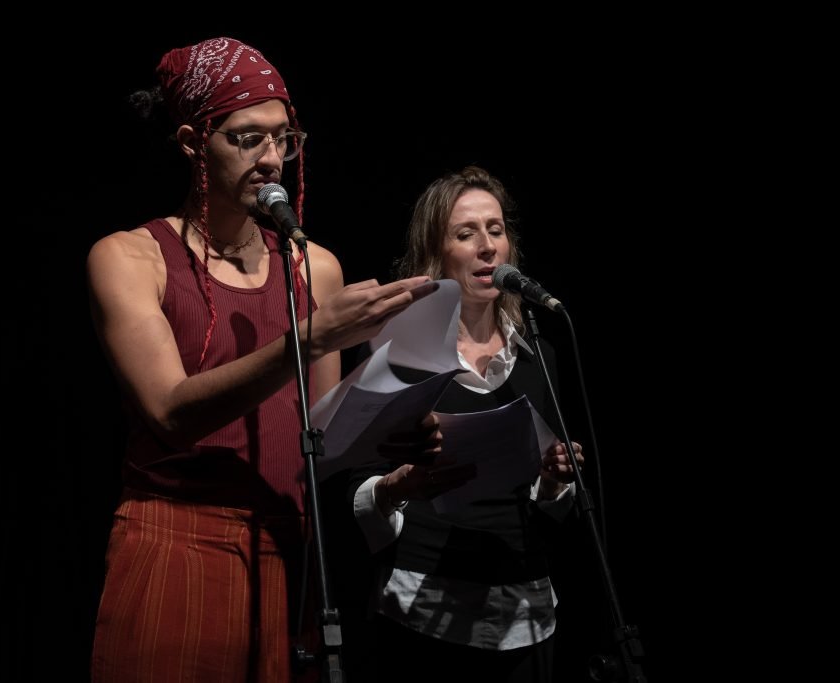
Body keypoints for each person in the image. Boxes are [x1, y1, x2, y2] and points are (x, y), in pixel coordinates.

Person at [86, 36, 436, 683]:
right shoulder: (130, 257)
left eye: (285, 138)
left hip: (290, 555)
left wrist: (394, 440)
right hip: (176, 541)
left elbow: (324, 440)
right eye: (249, 138)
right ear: (194, 140)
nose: (274, 158)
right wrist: (306, 338)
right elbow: (170, 410)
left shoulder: (315, 268)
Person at [346, 166, 585, 683]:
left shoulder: (537, 355)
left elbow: (553, 514)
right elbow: (352, 485)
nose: (487, 247)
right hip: (423, 613)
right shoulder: (401, 352)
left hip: (526, 614)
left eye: (496, 230)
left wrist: (555, 479)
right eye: (466, 233)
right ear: (437, 254)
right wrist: (397, 483)